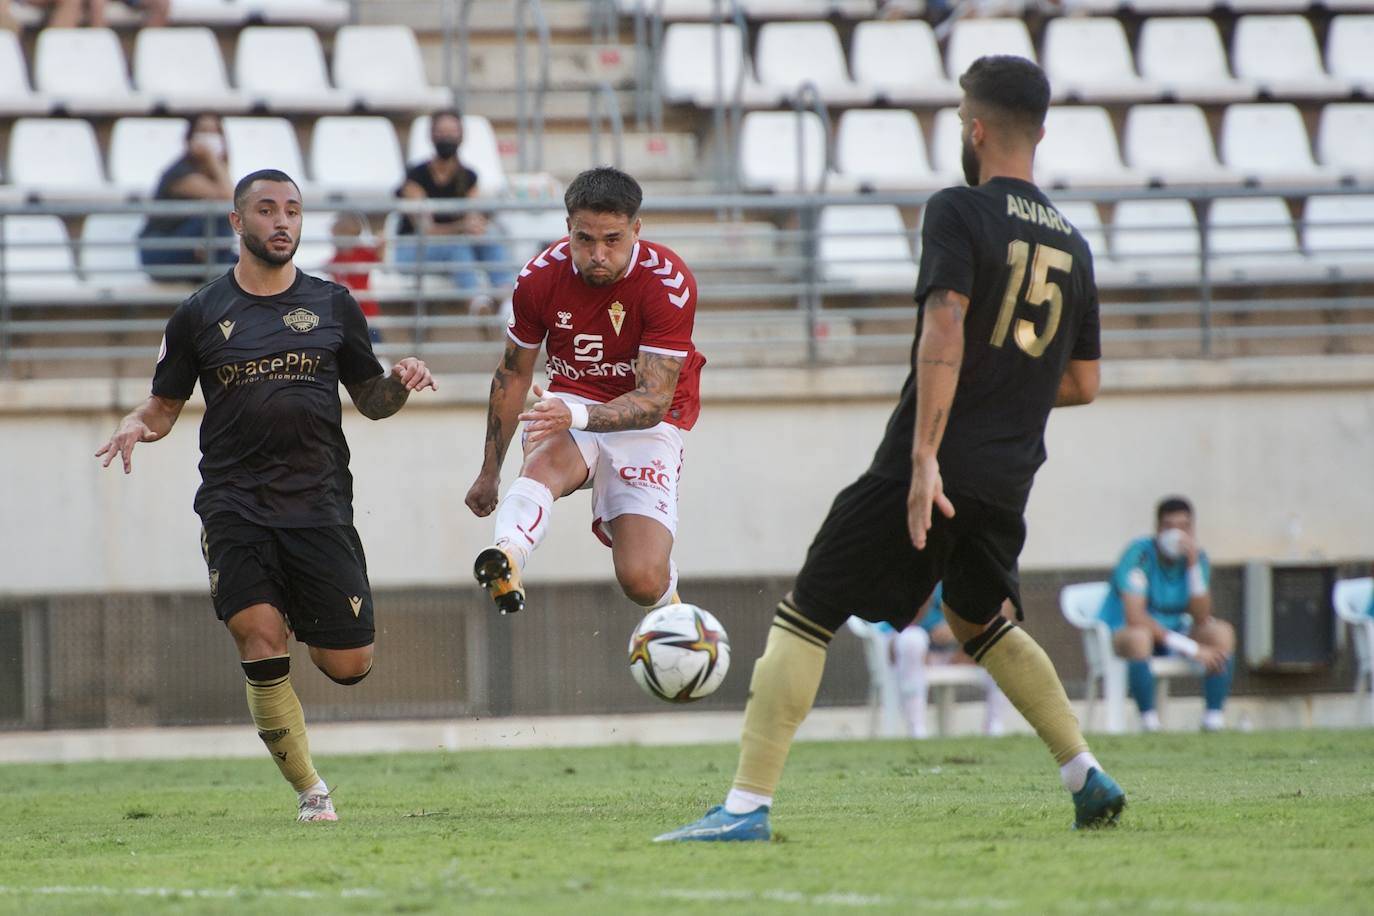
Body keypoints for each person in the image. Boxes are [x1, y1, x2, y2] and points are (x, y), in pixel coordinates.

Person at [656, 55, 1122, 843]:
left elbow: (945, 322)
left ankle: (743, 809)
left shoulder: (959, 210)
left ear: (974, 129)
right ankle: (1085, 775)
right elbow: (1081, 382)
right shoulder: (1074, 244)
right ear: (1039, 132)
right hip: (1009, 476)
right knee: (980, 619)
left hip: (934, 463)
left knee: (809, 609)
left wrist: (924, 457)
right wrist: (1008, 383)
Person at [96, 169, 436, 823]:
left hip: (319, 503)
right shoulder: (198, 313)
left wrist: (399, 380)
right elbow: (165, 406)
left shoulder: (336, 304)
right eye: (266, 210)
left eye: (292, 210)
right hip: (235, 501)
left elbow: (372, 400)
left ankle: (308, 614)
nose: (282, 221)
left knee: (349, 663)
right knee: (257, 634)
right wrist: (138, 422)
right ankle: (313, 793)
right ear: (236, 222)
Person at [464, 166, 705, 618]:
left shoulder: (668, 282)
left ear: (636, 229)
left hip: (649, 421)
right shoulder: (538, 279)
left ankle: (675, 613)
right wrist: (489, 470)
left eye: (612, 239)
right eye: (584, 239)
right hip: (570, 398)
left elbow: (653, 400)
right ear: (567, 228)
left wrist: (576, 418)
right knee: (544, 461)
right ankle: (508, 556)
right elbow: (512, 375)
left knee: (640, 579)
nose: (597, 254)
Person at [1101, 496, 1234, 732]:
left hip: (1174, 631)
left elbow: (1202, 617)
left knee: (1221, 633)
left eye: (1183, 527)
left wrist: (1193, 566)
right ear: (1158, 528)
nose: (1177, 534)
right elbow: (1135, 616)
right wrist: (1191, 648)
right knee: (1139, 636)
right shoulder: (1139, 554)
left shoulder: (1198, 558)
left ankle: (1213, 718)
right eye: (1169, 527)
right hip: (1126, 635)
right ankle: (1149, 722)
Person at [395, 109, 512, 316]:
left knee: (489, 234)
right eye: (441, 132)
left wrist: (477, 226)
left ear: (461, 136)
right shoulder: (415, 176)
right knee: (455, 244)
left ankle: (507, 300)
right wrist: (462, 226)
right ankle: (476, 302)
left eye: (452, 132)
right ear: (431, 136)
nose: (446, 138)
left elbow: (472, 215)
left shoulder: (468, 176)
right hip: (412, 249)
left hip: (453, 248)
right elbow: (426, 230)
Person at [890, 583, 1009, 738]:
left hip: (963, 647)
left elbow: (999, 613)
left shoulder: (975, 568)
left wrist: (962, 639)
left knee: (1002, 641)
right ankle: (916, 731)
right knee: (912, 640)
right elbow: (903, 621)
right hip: (918, 647)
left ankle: (995, 729)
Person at [139, 113, 237, 284]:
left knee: (246, 265)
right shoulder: (179, 173)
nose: (210, 138)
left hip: (188, 251)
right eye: (203, 131)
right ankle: (220, 275)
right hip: (159, 251)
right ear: (190, 138)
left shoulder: (211, 172)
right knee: (221, 215)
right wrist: (212, 158)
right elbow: (228, 199)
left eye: (215, 132)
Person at [325, 211, 384, 344]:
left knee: (374, 344)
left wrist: (382, 239)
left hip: (367, 312)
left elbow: (379, 254)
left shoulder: (363, 253)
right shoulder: (334, 261)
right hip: (348, 314)